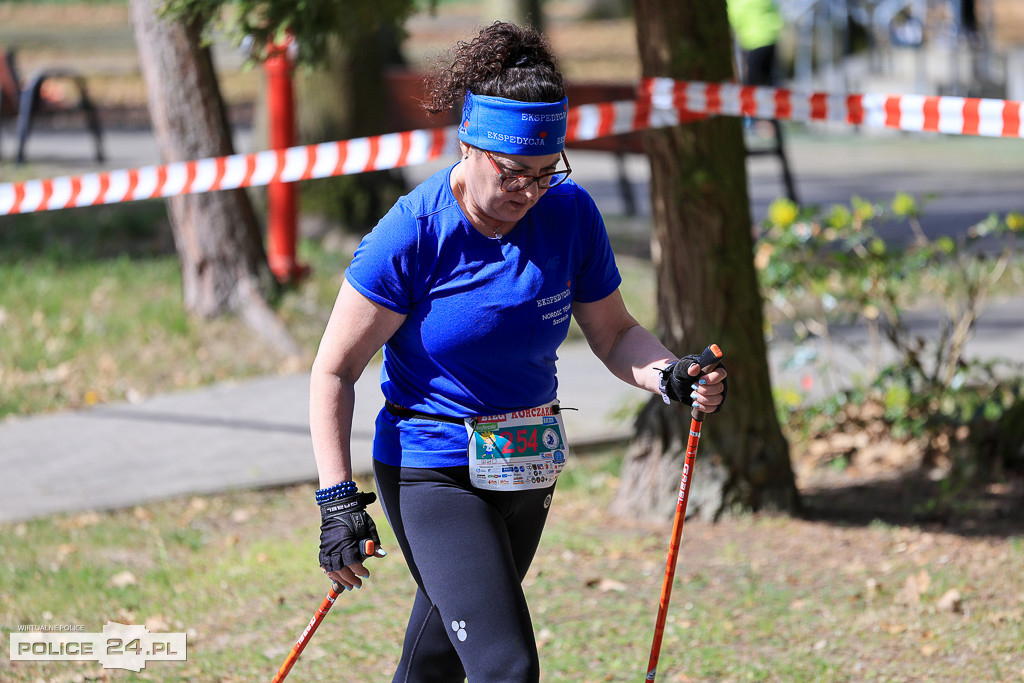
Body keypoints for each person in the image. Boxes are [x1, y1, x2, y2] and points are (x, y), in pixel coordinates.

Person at [308, 21, 728, 682]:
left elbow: (614, 333)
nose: (528, 192)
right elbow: (335, 370)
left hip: (527, 461)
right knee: (505, 664)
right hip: (434, 469)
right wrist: (337, 498)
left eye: (545, 173)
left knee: (439, 655)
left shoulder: (570, 215)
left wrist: (668, 374)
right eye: (512, 173)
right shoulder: (412, 234)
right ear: (468, 144)